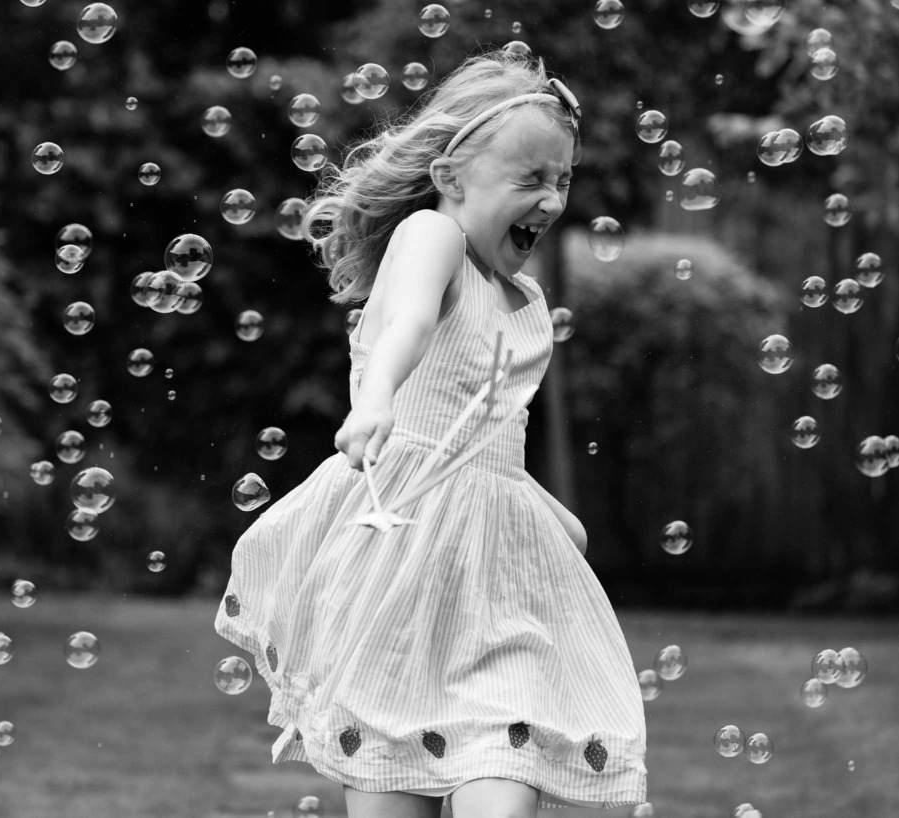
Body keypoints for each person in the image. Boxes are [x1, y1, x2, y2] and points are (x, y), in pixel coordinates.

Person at [214, 49, 647, 818]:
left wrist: (545, 513)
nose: (550, 199)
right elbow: (408, 323)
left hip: (496, 585)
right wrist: (375, 397)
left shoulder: (522, 299)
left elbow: (483, 443)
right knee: (393, 797)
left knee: (503, 783)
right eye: (529, 179)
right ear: (452, 179)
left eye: (562, 180)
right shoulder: (430, 236)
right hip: (402, 566)